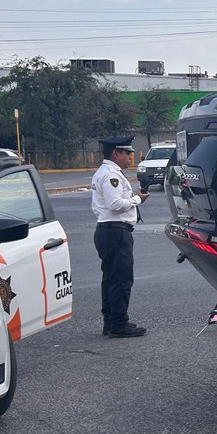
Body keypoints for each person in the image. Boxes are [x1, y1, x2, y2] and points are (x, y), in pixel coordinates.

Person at [91, 136, 150, 338]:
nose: (131, 157)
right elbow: (115, 204)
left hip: (109, 231)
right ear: (116, 153)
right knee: (121, 279)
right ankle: (119, 323)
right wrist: (137, 199)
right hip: (116, 232)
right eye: (127, 153)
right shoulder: (110, 175)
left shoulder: (108, 173)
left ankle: (111, 321)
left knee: (110, 279)